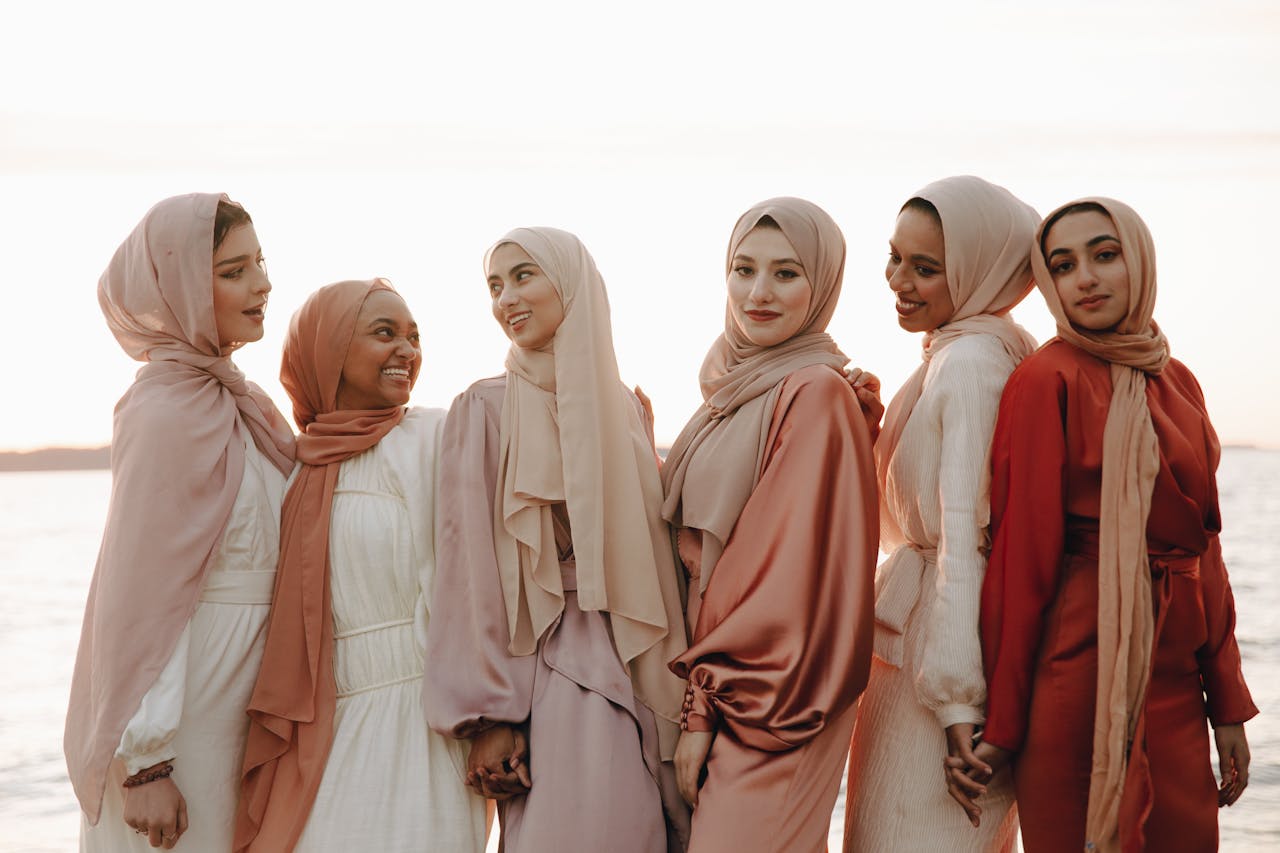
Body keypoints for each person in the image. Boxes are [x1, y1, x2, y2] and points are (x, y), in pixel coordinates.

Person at [950, 198, 1257, 852]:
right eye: (1062, 265)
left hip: (1175, 685)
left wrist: (1226, 702)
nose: (1085, 277)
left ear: (1139, 261)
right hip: (1075, 682)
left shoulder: (1179, 382)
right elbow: (1020, 561)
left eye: (1105, 254)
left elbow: (1207, 554)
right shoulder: (1044, 380)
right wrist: (1003, 721)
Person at [422, 227, 690, 852]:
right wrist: (493, 716)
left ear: (572, 284)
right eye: (494, 285)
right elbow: (470, 571)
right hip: (550, 666)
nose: (506, 299)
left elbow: (654, 544)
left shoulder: (624, 405)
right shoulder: (482, 409)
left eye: (523, 276)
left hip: (641, 659)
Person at [66, 193, 295, 851]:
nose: (262, 283)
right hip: (181, 721)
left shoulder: (245, 405)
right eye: (232, 270)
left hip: (239, 705)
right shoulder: (163, 413)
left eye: (260, 262)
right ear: (184, 290)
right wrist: (148, 761)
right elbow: (141, 599)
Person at [234, 279, 488, 852]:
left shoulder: (434, 436)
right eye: (384, 333)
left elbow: (470, 587)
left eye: (414, 336)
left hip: (425, 721)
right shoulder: (294, 468)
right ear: (328, 350)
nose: (407, 350)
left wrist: (488, 721)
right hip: (326, 724)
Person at [661, 197, 879, 853]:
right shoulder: (734, 392)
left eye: (786, 273)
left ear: (823, 285)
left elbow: (771, 579)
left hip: (770, 696)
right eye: (743, 268)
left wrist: (701, 710)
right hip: (727, 683)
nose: (758, 292)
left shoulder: (815, 391)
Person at [843, 176, 1038, 852]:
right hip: (916, 648)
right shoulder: (961, 350)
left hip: (941, 665)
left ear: (982, 271)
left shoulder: (972, 364)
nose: (899, 279)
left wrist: (961, 701)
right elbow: (908, 519)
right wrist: (874, 430)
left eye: (926, 268)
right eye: (894, 257)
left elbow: (966, 540)